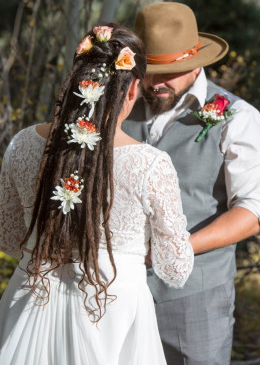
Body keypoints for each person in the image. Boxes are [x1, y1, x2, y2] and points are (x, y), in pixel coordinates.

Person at [0, 23, 194, 365]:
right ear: (133, 88)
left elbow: (10, 237)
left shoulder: (22, 145)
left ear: (77, 82)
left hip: (30, 296)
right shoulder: (150, 165)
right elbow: (175, 269)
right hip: (110, 310)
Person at [122, 2, 260, 365]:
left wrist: (176, 249)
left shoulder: (240, 119)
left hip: (195, 299)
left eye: (170, 71)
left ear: (195, 64)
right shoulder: (120, 109)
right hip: (118, 294)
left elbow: (255, 211)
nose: (156, 83)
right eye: (149, 71)